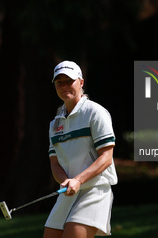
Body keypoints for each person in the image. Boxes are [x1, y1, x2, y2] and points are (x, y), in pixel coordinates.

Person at [44, 60, 118, 238]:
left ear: (81, 82)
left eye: (69, 81)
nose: (64, 86)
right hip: (70, 191)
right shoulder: (55, 124)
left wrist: (78, 180)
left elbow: (106, 157)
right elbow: (54, 163)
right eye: (59, 82)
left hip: (95, 189)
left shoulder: (95, 113)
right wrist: (66, 182)